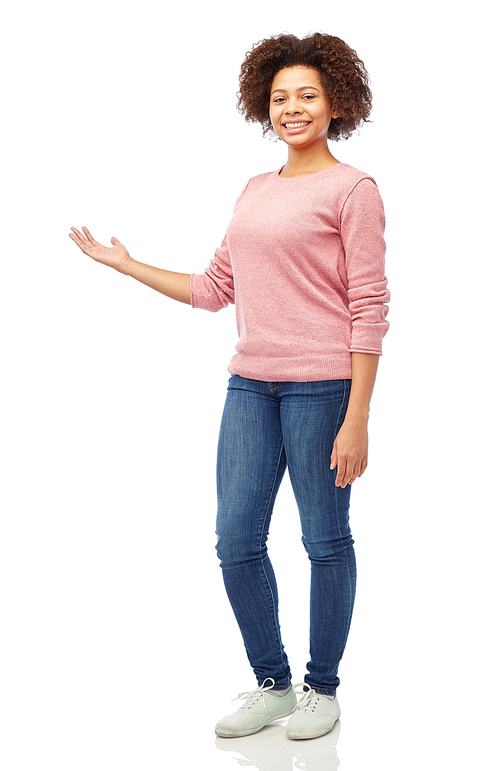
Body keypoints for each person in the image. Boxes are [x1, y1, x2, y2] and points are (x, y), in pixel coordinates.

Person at [69, 32, 390, 741]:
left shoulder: (353, 189)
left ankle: (323, 688)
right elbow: (216, 289)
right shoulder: (253, 189)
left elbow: (369, 306)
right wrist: (126, 264)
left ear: (336, 103)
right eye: (279, 98)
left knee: (324, 539)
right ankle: (273, 683)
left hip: (322, 390)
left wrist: (358, 416)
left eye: (307, 95)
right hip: (250, 386)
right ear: (263, 107)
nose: (292, 108)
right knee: (235, 538)